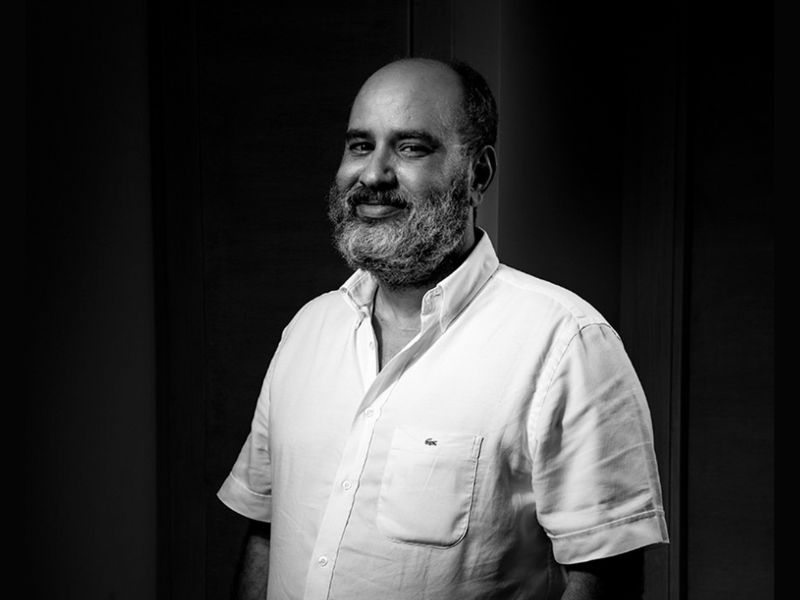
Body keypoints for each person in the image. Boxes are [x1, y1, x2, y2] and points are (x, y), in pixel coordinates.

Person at [217, 57, 669, 600]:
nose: (373, 175)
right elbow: (267, 529)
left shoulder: (567, 343)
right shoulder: (307, 331)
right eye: (360, 145)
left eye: (411, 148)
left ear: (478, 175)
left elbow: (605, 576)